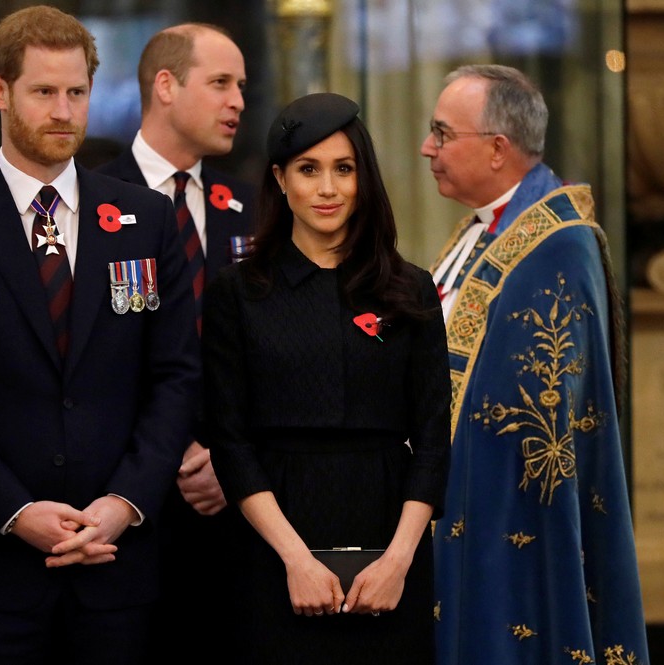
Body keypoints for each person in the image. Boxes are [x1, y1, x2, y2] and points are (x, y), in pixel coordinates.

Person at [0, 6, 200, 664]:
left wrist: (124, 501)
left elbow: (175, 374)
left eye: (77, 92)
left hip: (119, 562)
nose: (64, 111)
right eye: (44, 92)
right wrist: (16, 510)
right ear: (0, 92)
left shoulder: (145, 219)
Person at [202, 92, 451, 664]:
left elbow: (435, 439)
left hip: (392, 538)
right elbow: (230, 444)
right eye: (308, 170)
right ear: (280, 180)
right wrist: (296, 560)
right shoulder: (238, 294)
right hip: (272, 544)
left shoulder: (410, 289)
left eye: (344, 169)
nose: (328, 188)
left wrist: (397, 561)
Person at [420, 64, 649, 665]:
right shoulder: (483, 229)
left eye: (443, 133)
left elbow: (532, 423)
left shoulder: (556, 244)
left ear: (497, 149)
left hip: (504, 524)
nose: (428, 148)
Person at [95, 23, 254, 662]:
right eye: (220, 83)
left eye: (242, 86)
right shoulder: (91, 202)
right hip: (125, 504)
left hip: (233, 505)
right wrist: (168, 454)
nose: (238, 100)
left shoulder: (250, 209)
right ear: (165, 85)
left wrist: (226, 454)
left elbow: (270, 355)